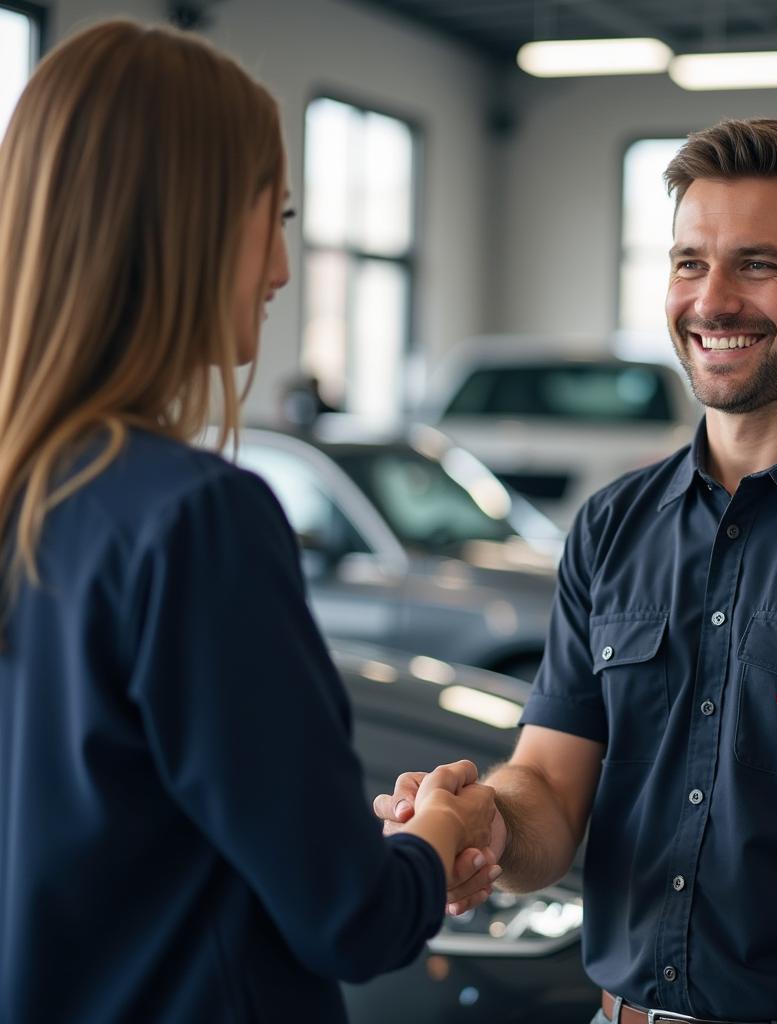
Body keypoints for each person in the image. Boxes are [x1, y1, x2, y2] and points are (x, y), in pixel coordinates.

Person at [377, 119, 777, 1024]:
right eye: (689, 263)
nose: (712, 300)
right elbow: (553, 793)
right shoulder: (610, 528)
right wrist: (479, 821)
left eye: (757, 264)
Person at [0, 21, 494, 1023]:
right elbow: (348, 917)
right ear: (181, 226)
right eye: (275, 216)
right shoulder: (195, 520)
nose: (279, 269)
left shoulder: (36, 501)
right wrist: (435, 837)